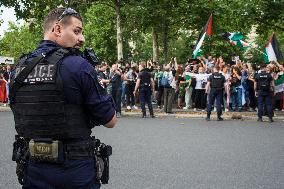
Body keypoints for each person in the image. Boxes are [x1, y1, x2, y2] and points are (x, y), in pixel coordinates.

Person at [9, 7, 117, 189]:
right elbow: (110, 120)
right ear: (58, 29)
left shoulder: (18, 68)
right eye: (77, 31)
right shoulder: (78, 66)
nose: (81, 39)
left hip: (33, 170)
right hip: (75, 171)